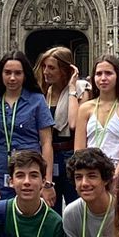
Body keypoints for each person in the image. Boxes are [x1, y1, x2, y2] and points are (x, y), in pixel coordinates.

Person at [0, 51, 55, 202]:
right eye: (7, 72)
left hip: (31, 170)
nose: (12, 78)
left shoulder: (37, 100)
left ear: (25, 75)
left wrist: (47, 183)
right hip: (2, 171)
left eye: (18, 73)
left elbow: (46, 143)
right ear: (1, 74)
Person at [74, 52, 119, 164]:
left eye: (108, 73)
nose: (103, 78)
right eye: (99, 74)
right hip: (90, 170)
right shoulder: (85, 109)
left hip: (117, 170)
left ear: (117, 76)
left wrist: (117, 176)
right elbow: (79, 150)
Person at [38, 46, 85, 200]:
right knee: (50, 205)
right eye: (44, 66)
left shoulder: (81, 89)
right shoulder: (45, 92)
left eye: (51, 67)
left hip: (71, 154)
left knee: (75, 204)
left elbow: (74, 123)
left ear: (65, 70)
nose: (45, 71)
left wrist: (72, 88)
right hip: (49, 155)